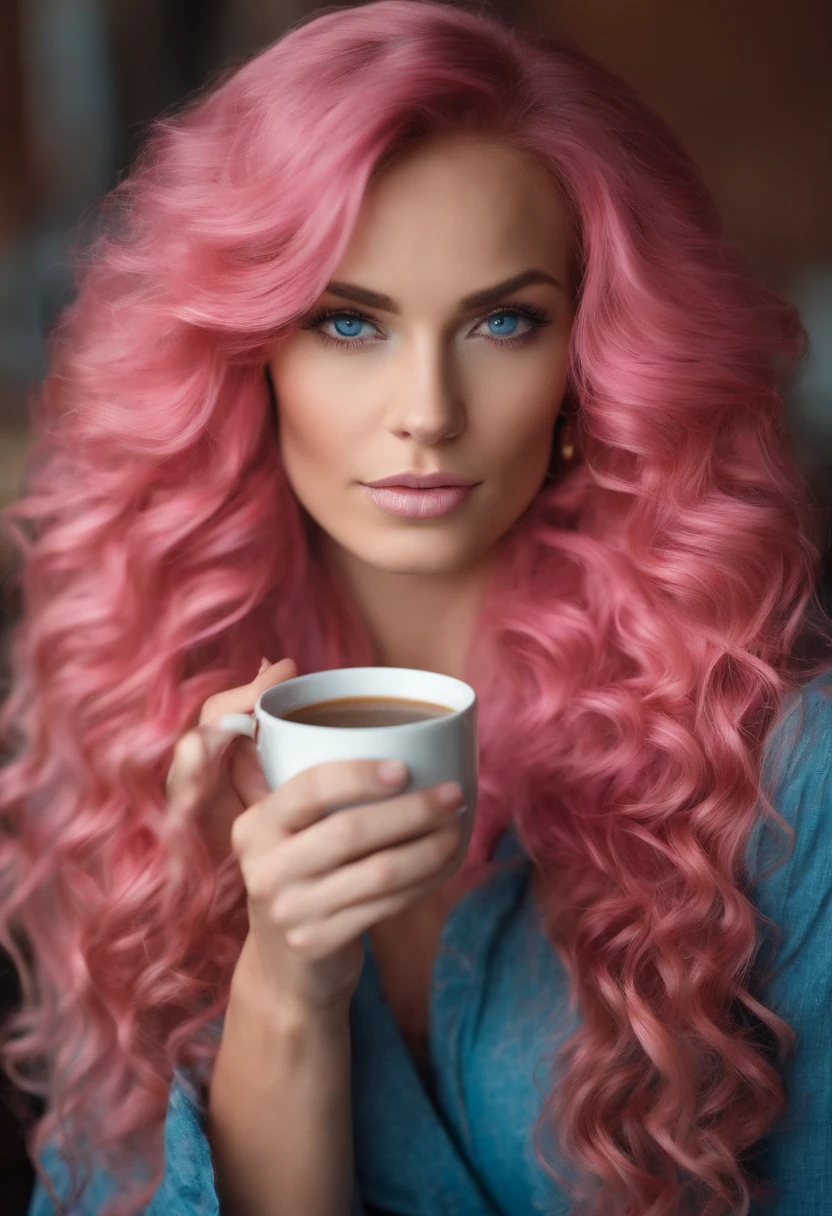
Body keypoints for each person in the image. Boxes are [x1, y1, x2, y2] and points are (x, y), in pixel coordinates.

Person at [0, 1, 830, 1213]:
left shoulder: (780, 774)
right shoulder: (139, 734)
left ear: (589, 360)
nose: (427, 410)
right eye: (348, 321)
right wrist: (282, 985)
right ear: (244, 355)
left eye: (504, 320)